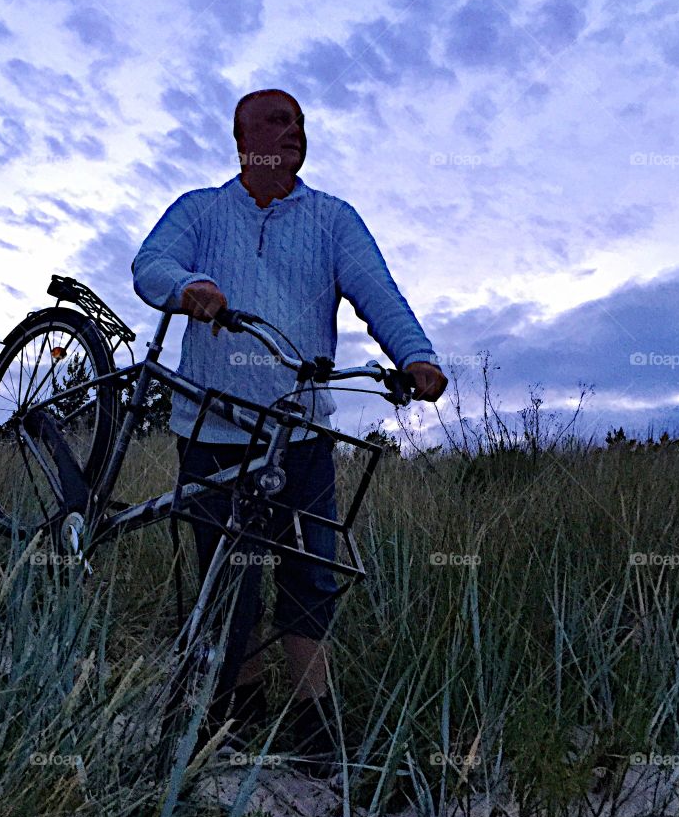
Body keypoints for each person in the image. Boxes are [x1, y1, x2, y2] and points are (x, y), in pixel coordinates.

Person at [132, 88, 447, 775]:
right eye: (277, 119)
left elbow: (378, 292)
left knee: (312, 570)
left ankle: (312, 718)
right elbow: (150, 265)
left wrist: (416, 357)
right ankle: (236, 705)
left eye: (300, 121)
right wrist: (189, 288)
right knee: (232, 578)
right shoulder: (200, 209)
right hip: (213, 434)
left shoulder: (333, 219)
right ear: (242, 135)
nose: (293, 129)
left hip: (302, 434)